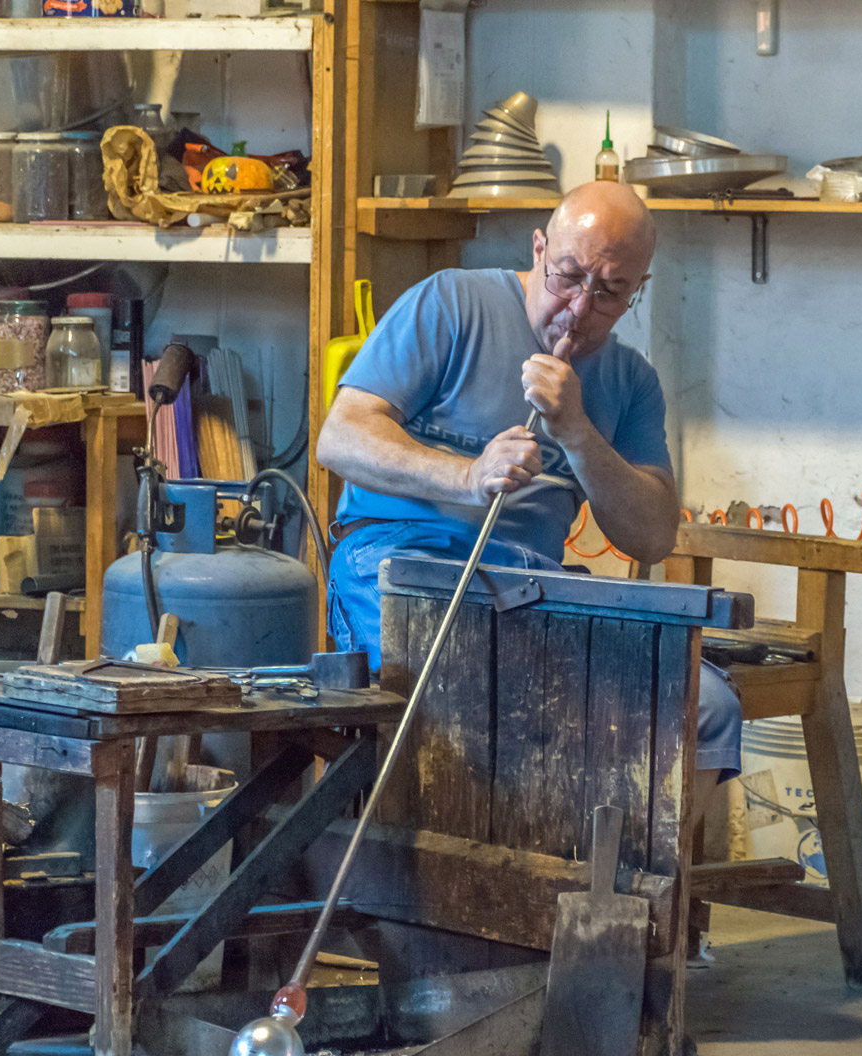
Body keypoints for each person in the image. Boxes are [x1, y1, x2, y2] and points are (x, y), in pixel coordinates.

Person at [316, 180, 742, 800]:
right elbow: (341, 437)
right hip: (401, 564)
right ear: (539, 247)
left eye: (610, 293)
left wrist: (577, 432)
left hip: (533, 584)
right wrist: (465, 476)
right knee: (483, 689)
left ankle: (623, 893)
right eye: (567, 276)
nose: (579, 308)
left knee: (704, 705)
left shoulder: (629, 380)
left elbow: (651, 535)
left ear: (637, 290)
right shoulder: (450, 303)